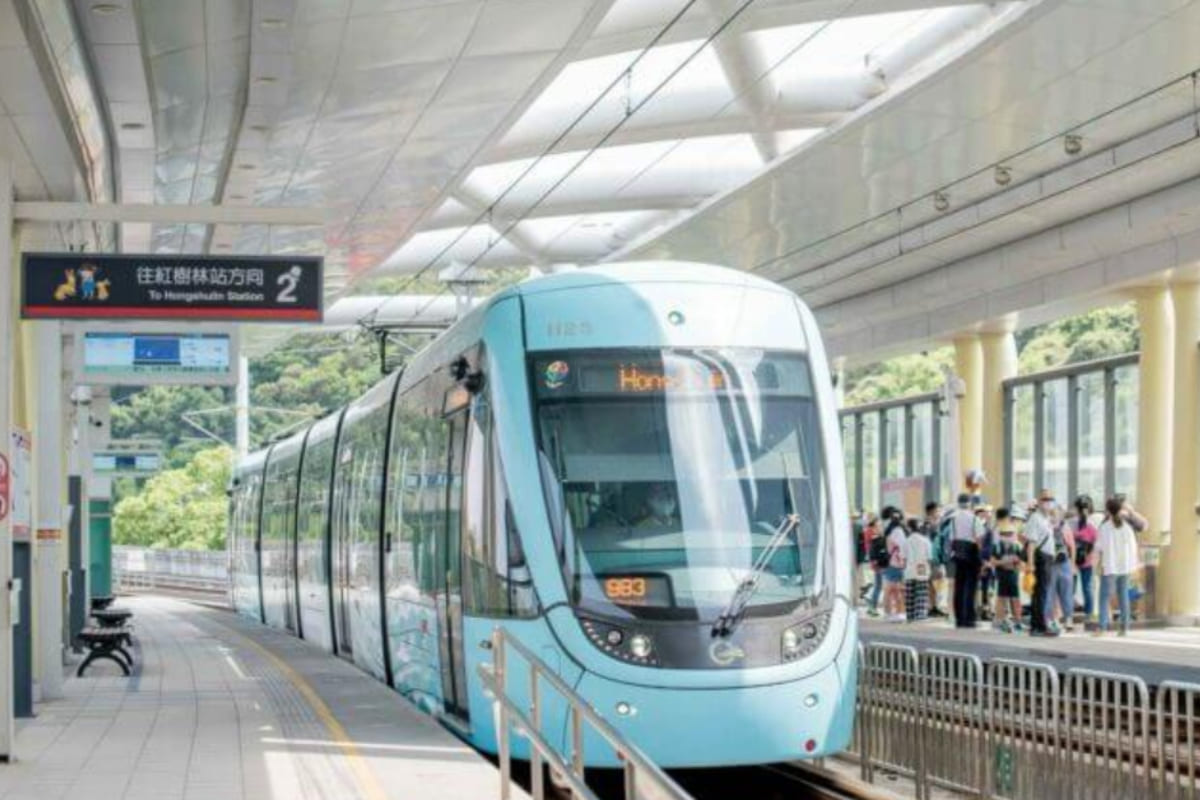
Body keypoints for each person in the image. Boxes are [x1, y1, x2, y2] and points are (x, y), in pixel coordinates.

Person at [1095, 496, 1143, 636]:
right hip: (1125, 566)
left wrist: (1097, 564)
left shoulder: (1105, 527)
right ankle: (1124, 628)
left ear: (1108, 511)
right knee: (1123, 595)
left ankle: (1102, 628)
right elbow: (1133, 547)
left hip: (1110, 566)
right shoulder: (1127, 527)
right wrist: (1134, 565)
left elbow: (1099, 548)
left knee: (1104, 597)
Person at [1024, 489, 1060, 637]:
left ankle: (1039, 625)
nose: (1048, 502)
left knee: (1042, 592)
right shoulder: (1035, 518)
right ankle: (1039, 626)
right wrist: (1030, 563)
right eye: (1045, 499)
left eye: (1051, 499)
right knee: (1040, 593)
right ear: (1039, 502)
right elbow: (1031, 543)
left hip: (1048, 558)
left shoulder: (1046, 519)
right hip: (1041, 558)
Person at [947, 493, 984, 628]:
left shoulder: (953, 519)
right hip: (972, 552)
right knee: (971, 586)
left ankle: (959, 618)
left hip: (958, 552)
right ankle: (969, 618)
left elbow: (951, 539)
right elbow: (979, 539)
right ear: (969, 504)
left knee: (959, 585)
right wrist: (982, 557)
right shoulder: (974, 518)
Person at [1065, 494, 1100, 626]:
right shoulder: (1094, 522)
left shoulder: (1070, 523)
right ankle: (1088, 615)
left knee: (1070, 589)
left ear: (1076, 508)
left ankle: (1068, 617)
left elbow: (1065, 540)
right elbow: (1097, 542)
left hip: (1072, 560)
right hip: (1088, 560)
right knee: (1088, 588)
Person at [990, 508, 1024, 632]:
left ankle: (1018, 621)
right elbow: (993, 561)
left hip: (1013, 575)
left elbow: (1021, 563)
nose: (1007, 536)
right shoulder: (997, 547)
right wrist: (1006, 562)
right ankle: (1000, 620)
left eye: (1010, 534)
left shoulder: (1017, 547)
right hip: (1002, 574)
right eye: (1004, 534)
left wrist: (1017, 564)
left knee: (1015, 598)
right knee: (1001, 598)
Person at [1046, 504, 1077, 632]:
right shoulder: (1046, 526)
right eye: (1052, 514)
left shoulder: (1065, 527)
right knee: (1050, 593)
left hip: (1064, 563)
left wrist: (1072, 564)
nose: (1053, 516)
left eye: (1055, 514)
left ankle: (1068, 619)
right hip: (1050, 563)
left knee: (1066, 593)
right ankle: (1052, 619)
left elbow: (1072, 546)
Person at [904, 517, 933, 622]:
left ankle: (910, 614)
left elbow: (904, 557)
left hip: (910, 566)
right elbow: (929, 557)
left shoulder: (906, 540)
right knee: (921, 591)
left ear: (909, 528)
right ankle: (920, 614)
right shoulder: (925, 540)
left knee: (910, 592)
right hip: (922, 566)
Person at [883, 509, 908, 622]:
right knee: (898, 590)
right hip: (897, 563)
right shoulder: (899, 531)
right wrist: (904, 561)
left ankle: (888, 613)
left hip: (889, 562)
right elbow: (902, 548)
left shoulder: (888, 531)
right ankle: (898, 613)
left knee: (889, 590)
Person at [976, 505, 996, 621]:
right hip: (982, 561)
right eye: (985, 512)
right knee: (983, 587)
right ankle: (983, 610)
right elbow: (980, 547)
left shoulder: (991, 528)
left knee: (987, 587)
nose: (988, 514)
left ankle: (986, 610)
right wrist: (983, 562)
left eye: (990, 512)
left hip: (989, 562)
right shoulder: (983, 529)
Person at [864, 513, 886, 616]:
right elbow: (875, 546)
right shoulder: (871, 532)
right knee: (878, 585)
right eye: (878, 523)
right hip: (876, 561)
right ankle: (872, 604)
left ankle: (871, 601)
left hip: (875, 560)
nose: (880, 524)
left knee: (878, 584)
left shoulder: (869, 531)